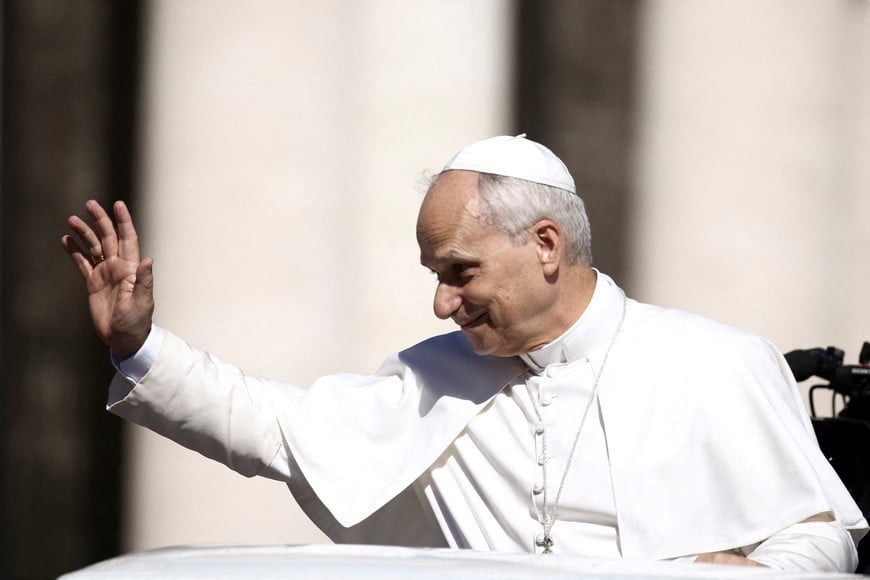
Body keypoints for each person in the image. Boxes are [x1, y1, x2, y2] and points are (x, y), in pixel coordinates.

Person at [62, 135, 867, 572]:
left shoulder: (715, 362)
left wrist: (754, 579)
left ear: (545, 244)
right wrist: (138, 345)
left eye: (460, 271)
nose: (443, 303)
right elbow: (269, 427)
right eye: (436, 276)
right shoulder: (433, 378)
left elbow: (820, 533)